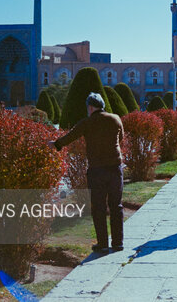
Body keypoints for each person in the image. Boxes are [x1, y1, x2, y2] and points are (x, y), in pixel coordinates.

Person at [48, 92, 125, 254]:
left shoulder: (87, 122)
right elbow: (121, 138)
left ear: (90, 107)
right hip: (115, 168)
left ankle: (103, 244)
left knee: (99, 207)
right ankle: (118, 243)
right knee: (116, 205)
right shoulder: (116, 118)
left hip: (97, 170)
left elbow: (70, 137)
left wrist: (56, 145)